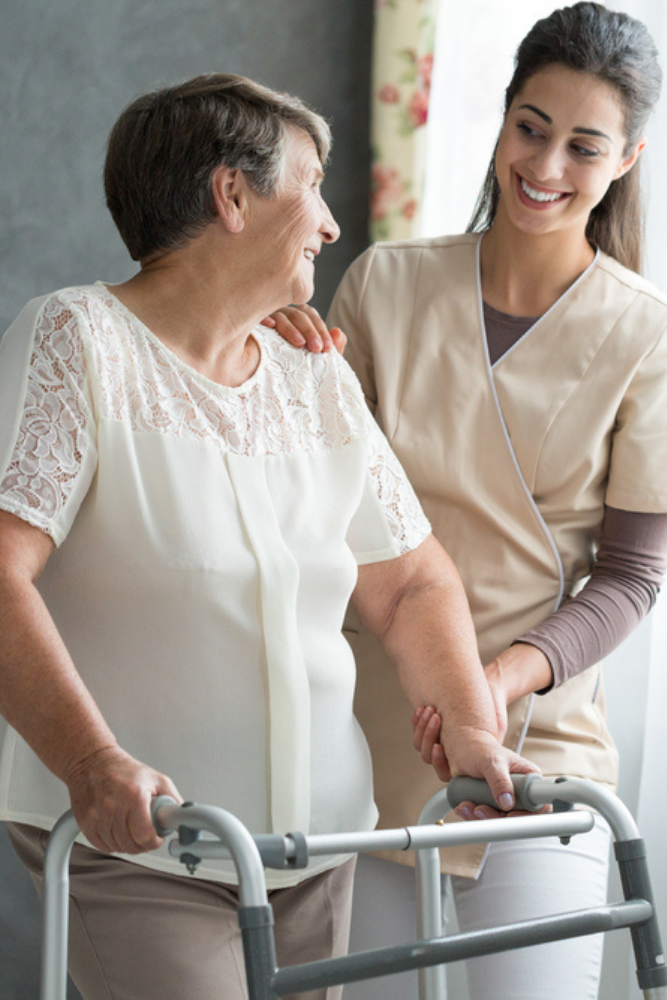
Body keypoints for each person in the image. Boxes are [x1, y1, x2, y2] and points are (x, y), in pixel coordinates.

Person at [0, 73, 535, 1000]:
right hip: (146, 849)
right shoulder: (75, 341)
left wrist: (472, 728)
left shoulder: (310, 371)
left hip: (315, 853)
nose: (331, 225)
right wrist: (93, 765)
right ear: (232, 195)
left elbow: (410, 584)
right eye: (313, 186)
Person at [264, 4, 667, 998]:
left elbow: (630, 576)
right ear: (499, 121)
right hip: (371, 742)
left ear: (625, 160)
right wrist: (260, 348)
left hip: (537, 752)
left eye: (583, 144)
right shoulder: (384, 285)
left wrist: (497, 680)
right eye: (531, 126)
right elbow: (308, 505)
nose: (546, 164)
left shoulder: (646, 335)